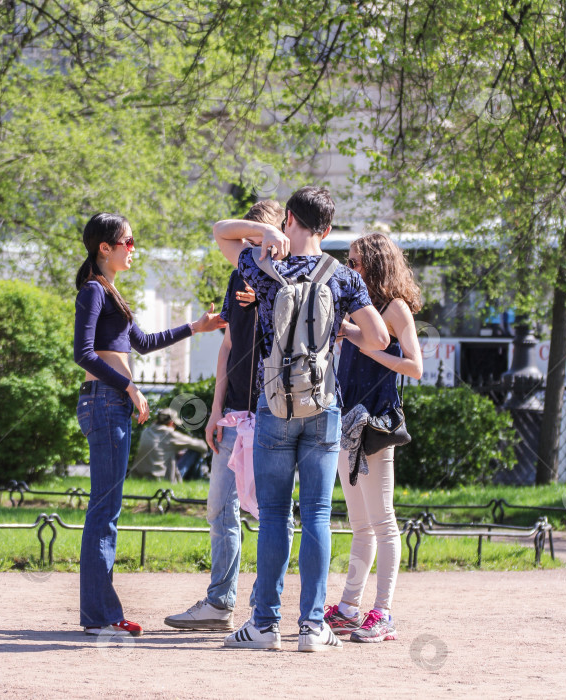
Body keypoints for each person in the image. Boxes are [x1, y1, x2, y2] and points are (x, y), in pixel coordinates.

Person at [213, 186, 390, 652]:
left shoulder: (260, 263)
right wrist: (338, 329)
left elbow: (220, 232)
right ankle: (313, 627)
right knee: (316, 514)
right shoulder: (342, 276)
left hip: (273, 405)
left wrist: (264, 230)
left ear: (289, 217)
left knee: (273, 514)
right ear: (328, 229)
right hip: (324, 405)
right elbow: (379, 338)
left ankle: (264, 625)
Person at [74, 212, 225, 637]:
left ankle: (98, 613)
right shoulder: (92, 291)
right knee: (104, 512)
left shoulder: (110, 291)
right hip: (104, 403)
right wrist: (129, 387)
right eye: (129, 240)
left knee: (106, 510)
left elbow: (141, 343)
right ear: (106, 247)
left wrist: (197, 326)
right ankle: (101, 615)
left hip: (110, 404)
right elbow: (82, 353)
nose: (133, 248)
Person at [165, 200, 291, 632]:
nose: (250, 242)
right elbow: (228, 344)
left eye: (260, 233)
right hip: (235, 413)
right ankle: (220, 603)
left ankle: (263, 608)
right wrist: (216, 408)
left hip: (274, 413)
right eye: (247, 235)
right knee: (220, 508)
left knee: (271, 513)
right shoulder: (239, 272)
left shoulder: (288, 274)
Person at [324, 232, 422, 643]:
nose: (352, 269)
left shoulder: (395, 308)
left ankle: (382, 613)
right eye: (349, 262)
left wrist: (370, 349)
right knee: (360, 523)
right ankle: (348, 607)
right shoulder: (358, 307)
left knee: (383, 521)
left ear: (378, 265)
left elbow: (414, 366)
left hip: (376, 422)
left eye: (357, 262)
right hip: (348, 421)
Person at [131, 407, 208, 482]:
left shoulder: (146, 431)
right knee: (195, 452)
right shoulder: (170, 434)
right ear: (171, 423)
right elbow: (203, 446)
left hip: (140, 476)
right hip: (161, 478)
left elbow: (160, 449)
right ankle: (196, 481)